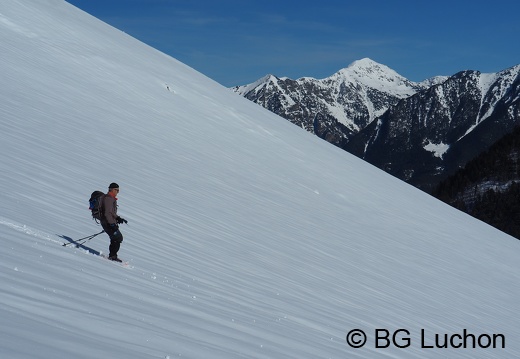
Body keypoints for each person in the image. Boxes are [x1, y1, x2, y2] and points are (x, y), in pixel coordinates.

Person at [100, 182, 127, 262]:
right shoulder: (108, 199)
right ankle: (113, 256)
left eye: (118, 190)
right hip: (108, 223)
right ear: (111, 189)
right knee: (118, 237)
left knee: (115, 238)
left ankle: (113, 256)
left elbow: (111, 213)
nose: (117, 192)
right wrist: (112, 224)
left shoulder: (110, 199)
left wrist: (118, 218)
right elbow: (107, 213)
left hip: (108, 222)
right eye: (116, 190)